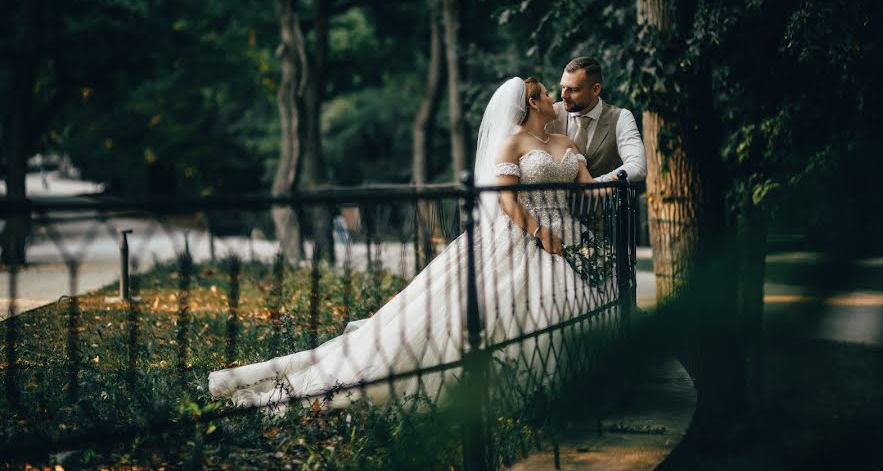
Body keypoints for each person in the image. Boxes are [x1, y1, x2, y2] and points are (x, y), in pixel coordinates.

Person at [208, 77, 612, 409]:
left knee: (567, 304)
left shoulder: (566, 146)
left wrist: (624, 184)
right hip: (524, 235)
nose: (555, 99)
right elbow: (505, 199)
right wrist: (540, 232)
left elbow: (591, 190)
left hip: (567, 237)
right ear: (531, 102)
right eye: (546, 93)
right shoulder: (512, 145)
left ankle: (570, 390)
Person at [547, 57, 646, 183]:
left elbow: (638, 166)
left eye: (573, 89)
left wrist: (596, 185)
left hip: (598, 202)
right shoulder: (550, 113)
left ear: (595, 89)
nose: (564, 95)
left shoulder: (620, 117)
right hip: (552, 202)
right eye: (563, 87)